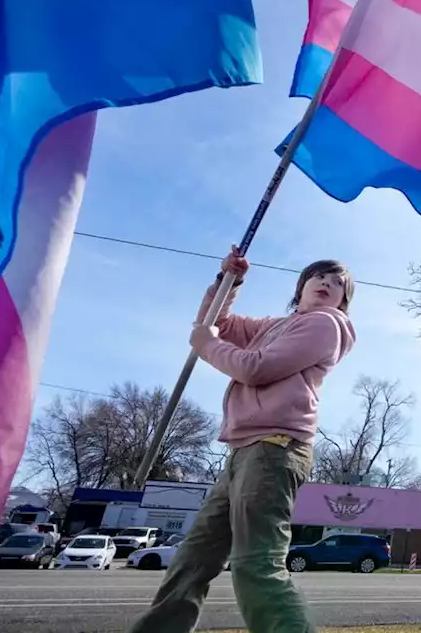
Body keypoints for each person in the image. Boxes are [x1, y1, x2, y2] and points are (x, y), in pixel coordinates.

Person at [130, 248, 356, 633]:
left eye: (337, 284)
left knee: (256, 563)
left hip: (276, 448)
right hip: (241, 452)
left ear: (342, 303)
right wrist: (229, 281)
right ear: (300, 287)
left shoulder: (325, 326)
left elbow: (256, 368)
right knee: (193, 560)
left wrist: (207, 346)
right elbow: (217, 321)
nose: (326, 283)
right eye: (318, 276)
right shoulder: (274, 325)